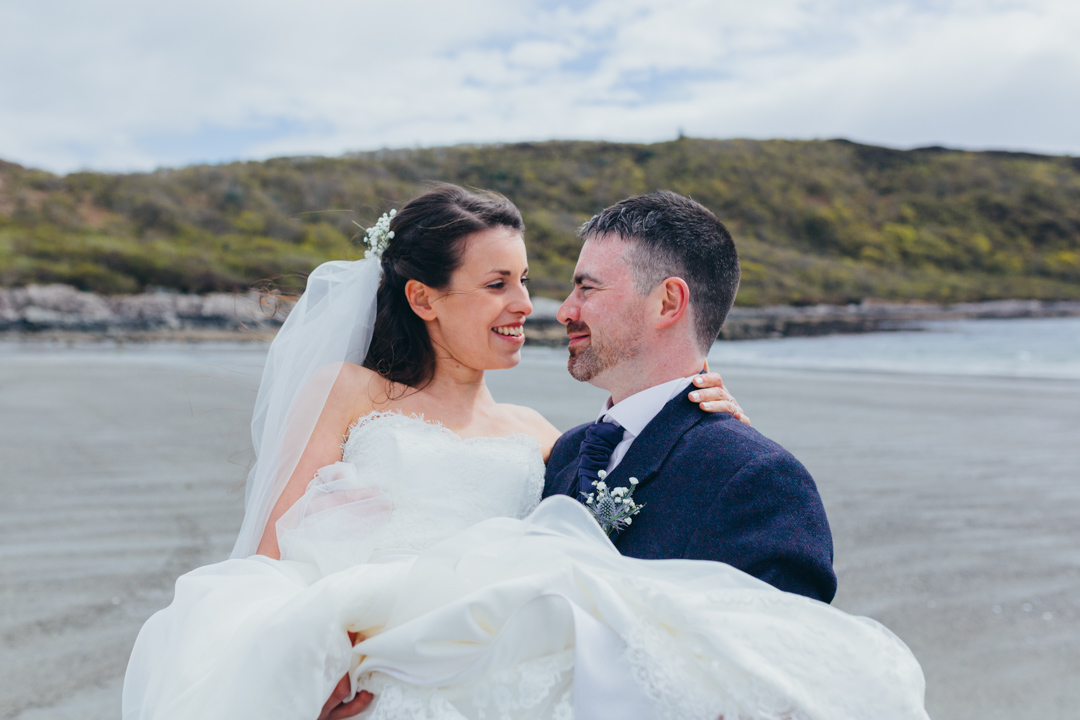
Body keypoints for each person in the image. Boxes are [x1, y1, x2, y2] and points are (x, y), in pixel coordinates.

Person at [123, 185, 928, 720]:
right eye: (498, 283)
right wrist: (308, 663)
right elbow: (270, 558)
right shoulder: (357, 394)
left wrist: (714, 422)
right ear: (423, 297)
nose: (534, 306)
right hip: (354, 674)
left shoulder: (547, 440)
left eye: (539, 281)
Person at [545, 191, 836, 602]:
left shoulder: (757, 479)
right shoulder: (567, 453)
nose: (564, 311)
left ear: (668, 303)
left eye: (587, 289)